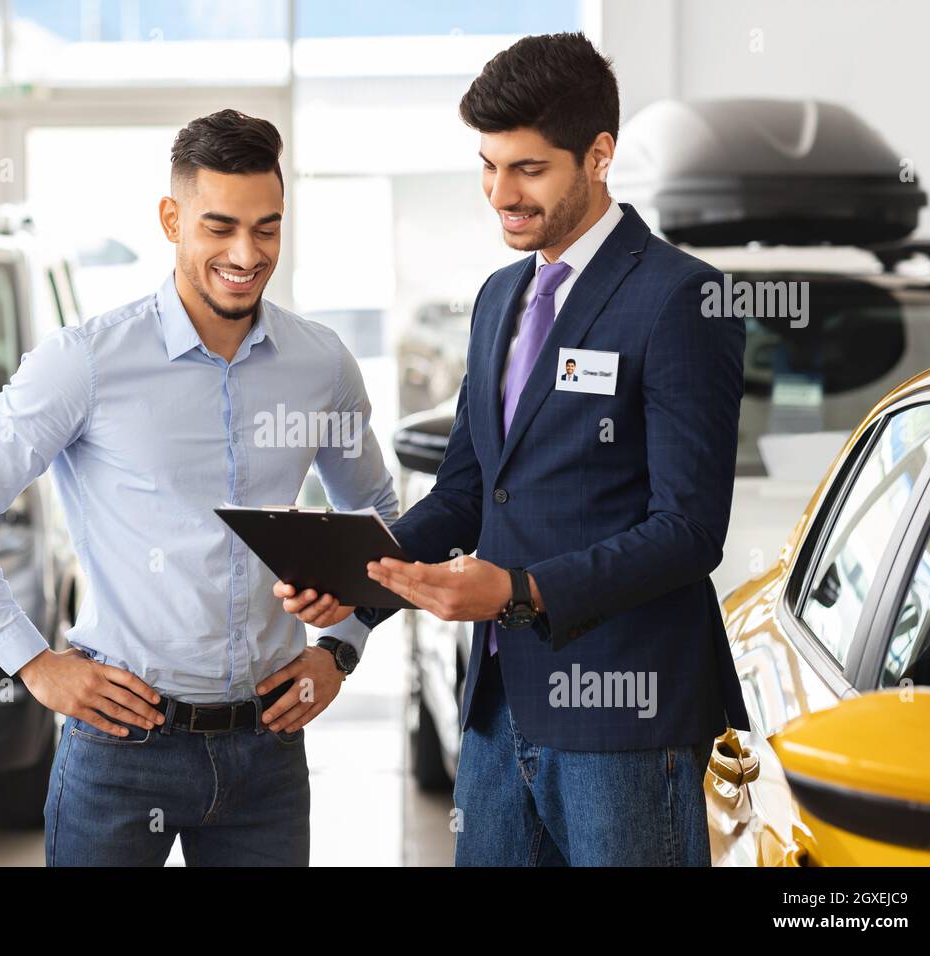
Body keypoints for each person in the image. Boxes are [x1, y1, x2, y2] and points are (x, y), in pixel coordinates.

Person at [276, 32, 748, 866]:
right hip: (497, 714)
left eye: (527, 169)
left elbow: (688, 530)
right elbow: (467, 491)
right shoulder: (500, 299)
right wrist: (356, 581)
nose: (501, 194)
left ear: (598, 155)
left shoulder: (681, 298)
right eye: (489, 167)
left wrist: (518, 592)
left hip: (624, 720)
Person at [0, 109, 398, 866]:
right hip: (120, 753)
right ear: (172, 219)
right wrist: (34, 664)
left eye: (266, 228)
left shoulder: (322, 365)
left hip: (269, 750)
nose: (245, 253)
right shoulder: (88, 363)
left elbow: (378, 517)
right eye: (219, 226)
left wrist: (343, 645)